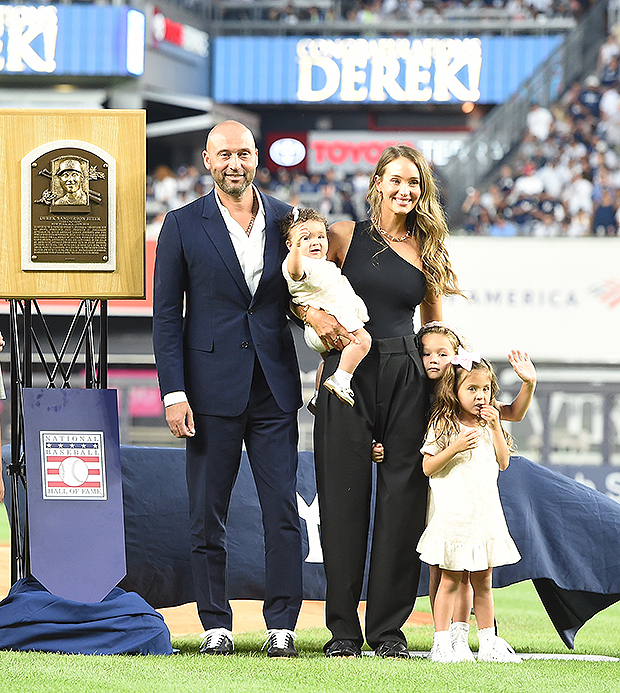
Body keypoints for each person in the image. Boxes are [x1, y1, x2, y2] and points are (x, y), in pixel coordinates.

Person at [301, 144, 462, 658]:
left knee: (402, 506)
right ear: (377, 184)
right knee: (343, 502)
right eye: (396, 179)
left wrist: (449, 386)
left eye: (414, 182)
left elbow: (434, 328)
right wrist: (311, 319)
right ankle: (343, 633)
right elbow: (300, 287)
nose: (405, 190)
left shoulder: (430, 249)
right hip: (346, 373)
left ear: (422, 190)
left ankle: (389, 632)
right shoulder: (344, 236)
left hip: (408, 376)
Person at [152, 120, 303, 658]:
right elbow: (167, 318)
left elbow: (310, 296)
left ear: (256, 157)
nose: (234, 163)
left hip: (275, 390)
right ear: (206, 159)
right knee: (206, 513)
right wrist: (174, 393)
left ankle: (281, 623)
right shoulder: (181, 225)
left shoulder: (290, 221)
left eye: (243, 153)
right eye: (224, 155)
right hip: (207, 392)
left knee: (282, 511)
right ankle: (215, 621)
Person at [415, 322, 536, 660]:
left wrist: (497, 424)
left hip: (484, 515)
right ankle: (442, 643)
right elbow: (427, 467)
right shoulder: (444, 423)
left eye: (485, 389)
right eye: (472, 389)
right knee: (449, 578)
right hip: (453, 514)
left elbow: (502, 463)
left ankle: (483, 641)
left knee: (481, 579)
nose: (481, 396)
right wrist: (453, 447)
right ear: (455, 391)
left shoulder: (488, 422)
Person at [281, 207, 371, 407]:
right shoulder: (298, 263)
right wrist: (296, 248)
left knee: (327, 362)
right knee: (362, 341)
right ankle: (341, 380)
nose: (315, 241)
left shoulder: (321, 263)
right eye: (306, 238)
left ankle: (317, 395)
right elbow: (295, 273)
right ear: (290, 244)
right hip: (326, 324)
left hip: (320, 331)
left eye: (321, 236)